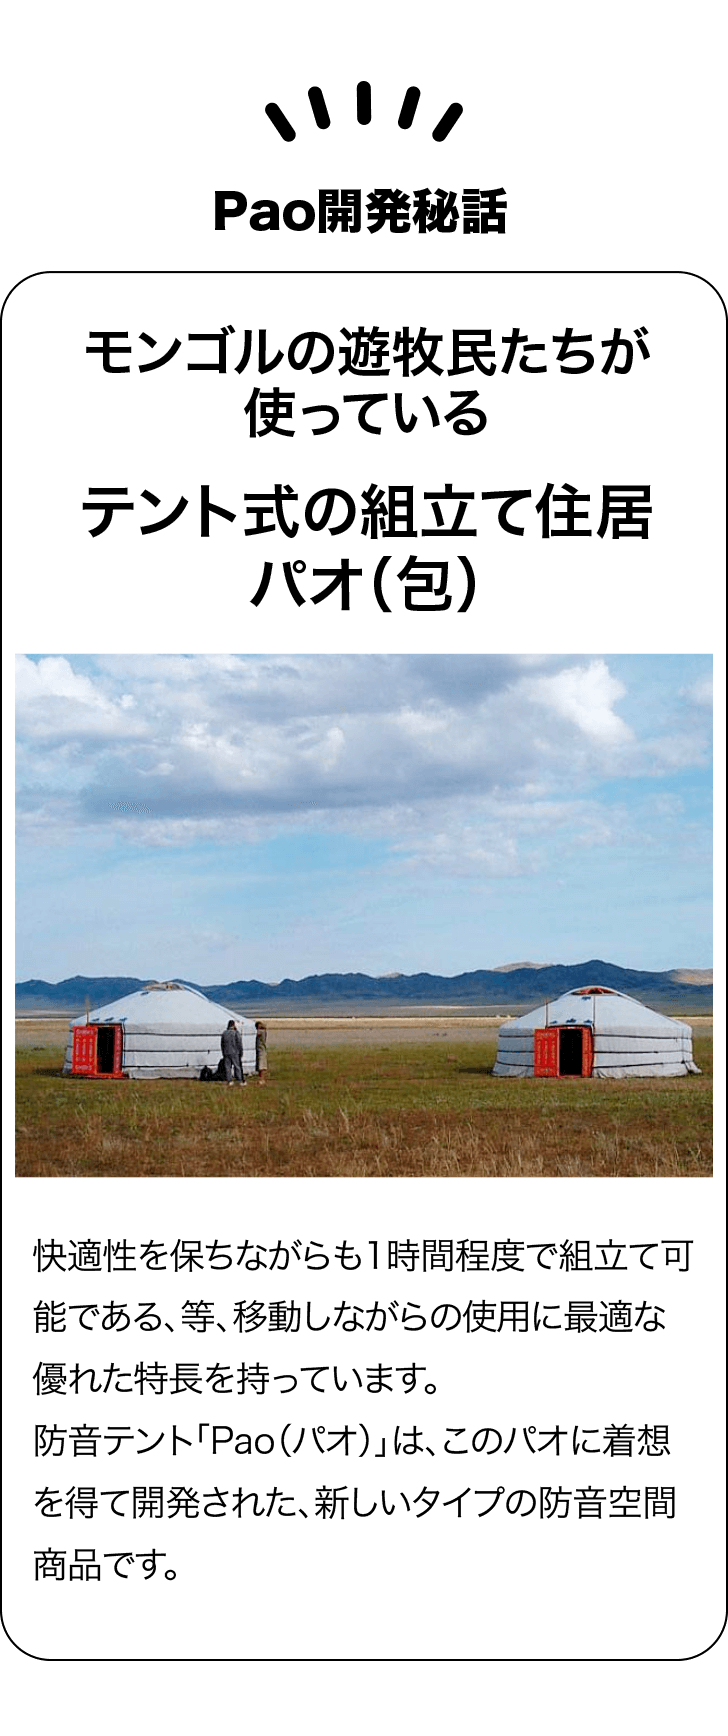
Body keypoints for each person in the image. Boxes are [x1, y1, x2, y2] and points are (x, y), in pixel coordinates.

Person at [221, 1020, 245, 1087]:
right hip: (235, 1052)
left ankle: (229, 1080)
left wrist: (223, 1052)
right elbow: (239, 1043)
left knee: (228, 1067)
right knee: (237, 1066)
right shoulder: (235, 1033)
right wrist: (241, 1052)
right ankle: (239, 1080)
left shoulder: (224, 1033)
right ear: (233, 1025)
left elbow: (222, 1044)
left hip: (226, 1052)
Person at [255, 1021, 269, 1086]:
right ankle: (262, 1079)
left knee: (261, 1066)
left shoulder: (261, 1032)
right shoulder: (264, 1031)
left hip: (261, 1050)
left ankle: (261, 1079)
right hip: (261, 1050)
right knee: (262, 1066)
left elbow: (256, 1033)